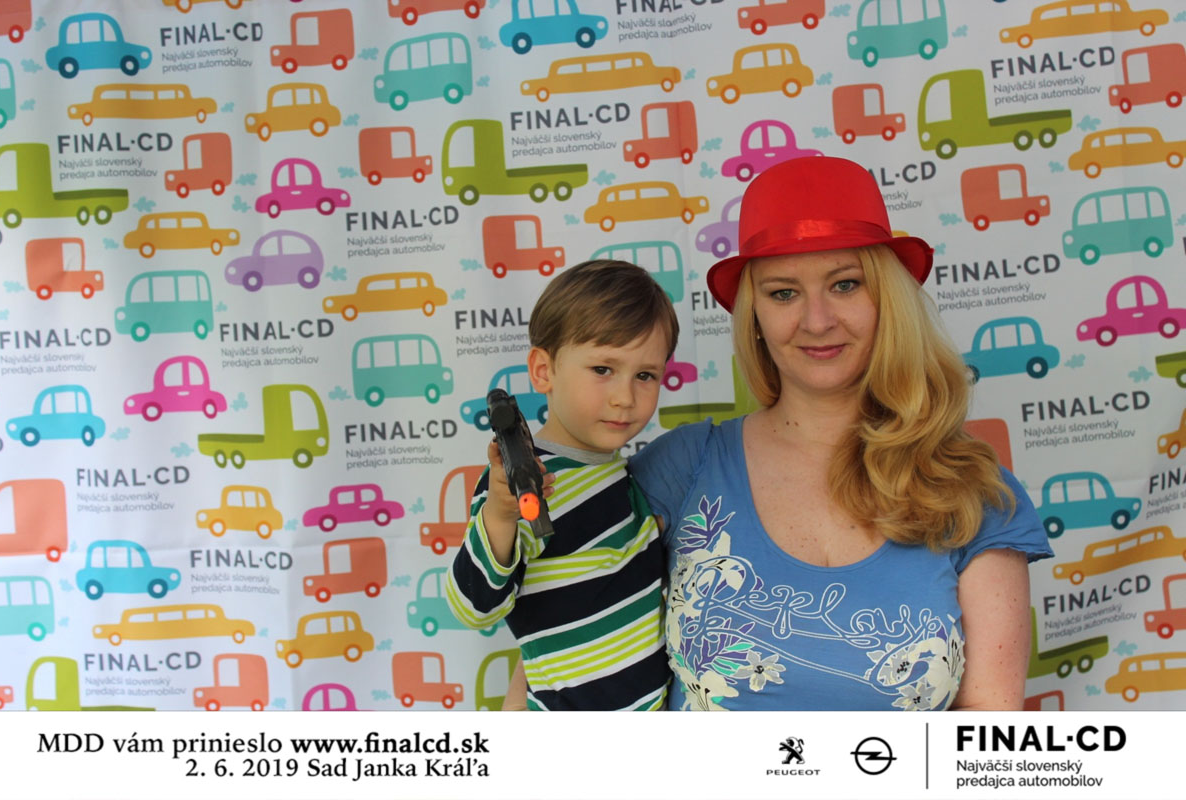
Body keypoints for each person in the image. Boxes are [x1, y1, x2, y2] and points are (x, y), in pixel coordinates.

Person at [625, 156, 1052, 710]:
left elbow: (988, 727)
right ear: (754, 316)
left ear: (887, 301)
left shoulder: (974, 493)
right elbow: (561, 641)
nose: (818, 320)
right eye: (783, 293)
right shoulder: (682, 468)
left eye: (845, 284)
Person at [445, 259, 678, 710]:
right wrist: (500, 515)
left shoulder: (623, 474)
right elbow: (473, 608)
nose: (625, 397)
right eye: (603, 369)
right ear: (543, 371)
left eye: (645, 375)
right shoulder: (524, 483)